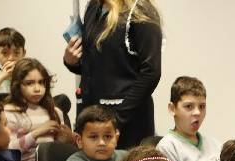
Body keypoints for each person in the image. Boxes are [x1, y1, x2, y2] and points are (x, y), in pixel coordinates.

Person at [64, 0, 163, 148]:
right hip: (91, 119)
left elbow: (151, 73)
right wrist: (72, 62)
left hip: (128, 124)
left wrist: (117, 119)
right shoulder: (93, 6)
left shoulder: (141, 10)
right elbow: (102, 65)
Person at [3, 58, 74, 161]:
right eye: (29, 83)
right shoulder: (10, 112)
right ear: (18, 85)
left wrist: (68, 140)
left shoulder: (55, 111)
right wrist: (36, 133)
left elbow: (60, 147)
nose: (37, 88)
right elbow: (9, 150)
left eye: (41, 82)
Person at [157, 76, 222, 161]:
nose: (197, 112)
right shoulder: (167, 147)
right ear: (172, 109)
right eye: (189, 106)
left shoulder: (215, 144)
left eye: (202, 106)